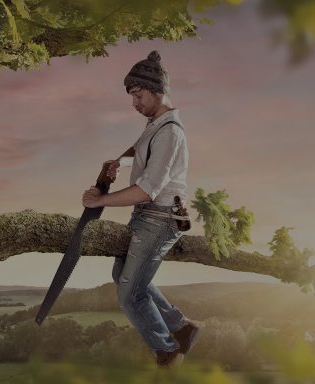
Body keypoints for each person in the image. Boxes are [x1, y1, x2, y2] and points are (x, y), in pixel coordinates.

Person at [81, 50, 199, 367]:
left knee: (129, 294)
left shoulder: (171, 132)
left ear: (156, 89)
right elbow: (142, 145)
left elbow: (147, 190)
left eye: (137, 94)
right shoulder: (156, 124)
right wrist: (121, 160)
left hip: (160, 219)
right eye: (131, 95)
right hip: (148, 216)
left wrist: (101, 200)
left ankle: (167, 350)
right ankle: (182, 327)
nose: (134, 102)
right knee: (123, 275)